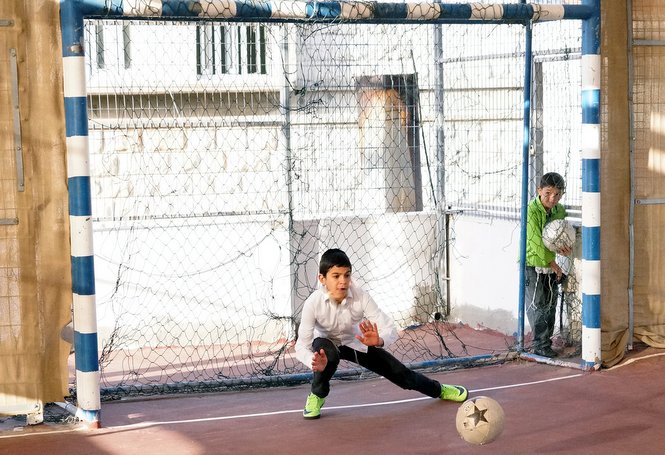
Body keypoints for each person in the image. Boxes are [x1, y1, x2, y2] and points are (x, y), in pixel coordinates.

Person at [295, 248, 468, 419]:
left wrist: (379, 340)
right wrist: (313, 362)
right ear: (322, 278)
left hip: (355, 341)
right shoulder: (313, 303)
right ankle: (317, 396)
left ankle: (440, 390)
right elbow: (301, 345)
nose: (343, 281)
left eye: (347, 275)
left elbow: (389, 328)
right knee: (326, 355)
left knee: (399, 372)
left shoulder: (360, 296)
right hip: (325, 342)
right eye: (336, 276)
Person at [525, 172, 572, 358]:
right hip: (532, 264)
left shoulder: (558, 211)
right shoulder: (531, 210)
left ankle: (546, 343)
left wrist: (562, 247)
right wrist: (553, 263)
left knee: (550, 304)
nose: (552, 198)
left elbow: (557, 235)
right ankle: (539, 345)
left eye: (557, 194)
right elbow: (536, 241)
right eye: (548, 193)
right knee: (538, 305)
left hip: (551, 265)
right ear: (539, 191)